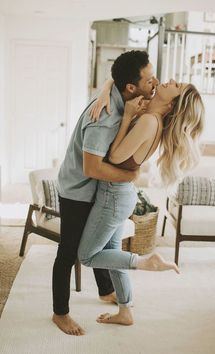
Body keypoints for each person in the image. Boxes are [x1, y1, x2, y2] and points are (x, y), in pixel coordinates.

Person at [77, 76, 205, 326]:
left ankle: (147, 262)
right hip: (119, 194)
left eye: (177, 86)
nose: (171, 80)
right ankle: (125, 311)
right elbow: (116, 79)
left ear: (173, 105)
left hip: (113, 197)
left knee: (87, 256)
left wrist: (126, 117)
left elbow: (114, 156)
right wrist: (106, 91)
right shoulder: (151, 117)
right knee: (112, 254)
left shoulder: (148, 121)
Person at [53, 50, 159, 336]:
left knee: (100, 241)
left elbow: (114, 82)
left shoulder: (120, 95)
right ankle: (60, 313)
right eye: (150, 79)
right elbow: (91, 168)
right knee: (69, 252)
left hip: (92, 188)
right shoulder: (106, 117)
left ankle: (105, 290)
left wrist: (106, 87)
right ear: (131, 88)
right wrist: (130, 175)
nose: (156, 83)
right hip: (77, 190)